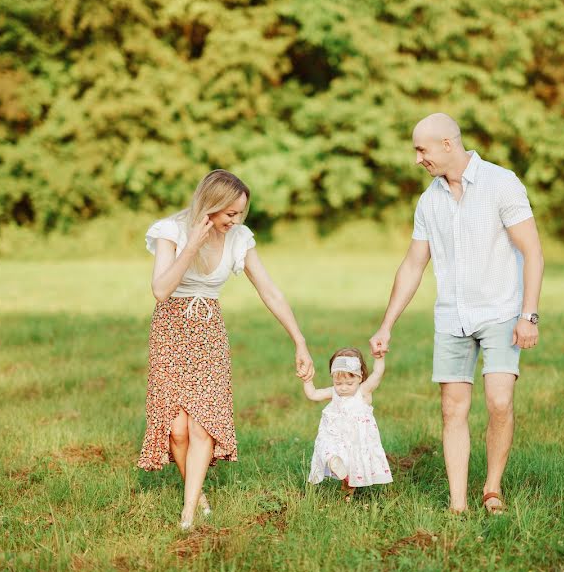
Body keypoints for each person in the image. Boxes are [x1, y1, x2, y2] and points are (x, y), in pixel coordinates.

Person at [369, 113, 544, 515]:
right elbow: (413, 265)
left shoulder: (502, 183)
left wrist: (528, 315)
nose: (417, 159)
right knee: (452, 409)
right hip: (452, 317)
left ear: (447, 144)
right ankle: (458, 504)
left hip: (502, 310)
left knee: (499, 402)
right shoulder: (429, 201)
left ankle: (492, 488)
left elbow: (532, 250)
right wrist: (387, 324)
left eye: (421, 149)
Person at [137, 169, 315, 530]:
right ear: (209, 206)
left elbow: (270, 291)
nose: (236, 221)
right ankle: (197, 492)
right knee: (177, 430)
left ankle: (188, 511)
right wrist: (192, 245)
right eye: (229, 213)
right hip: (171, 330)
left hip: (209, 333)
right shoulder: (171, 231)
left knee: (202, 424)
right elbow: (160, 290)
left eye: (240, 214)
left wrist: (299, 340)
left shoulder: (239, 239)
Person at [303, 347, 392, 499]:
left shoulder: (363, 391)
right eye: (338, 383)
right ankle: (333, 461)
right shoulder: (334, 392)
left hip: (355, 440)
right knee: (327, 450)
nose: (343, 388)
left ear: (360, 377)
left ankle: (347, 493)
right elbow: (313, 394)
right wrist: (307, 380)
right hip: (336, 436)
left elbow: (377, 374)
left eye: (349, 383)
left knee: (353, 467)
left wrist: (379, 358)